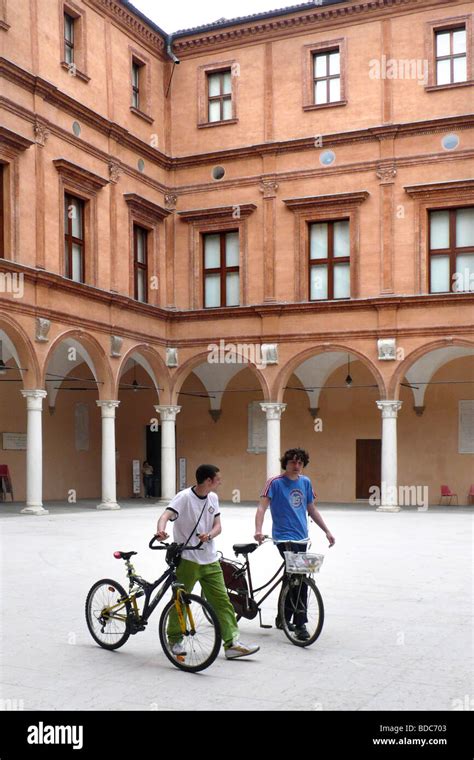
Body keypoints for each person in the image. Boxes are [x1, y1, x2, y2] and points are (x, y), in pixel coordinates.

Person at [155, 464, 260, 660]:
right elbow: (165, 515)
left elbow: (218, 526)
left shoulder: (213, 498)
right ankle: (175, 640)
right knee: (181, 601)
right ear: (208, 480)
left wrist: (210, 535)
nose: (220, 482)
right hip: (188, 560)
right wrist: (161, 531)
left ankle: (232, 644)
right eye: (217, 479)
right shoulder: (184, 497)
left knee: (222, 601)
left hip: (210, 560)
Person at [254, 448, 335, 641]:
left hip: (302, 538)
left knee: (291, 576)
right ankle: (300, 624)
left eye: (300, 463)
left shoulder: (305, 482)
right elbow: (262, 507)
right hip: (283, 538)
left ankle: (283, 617)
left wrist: (327, 530)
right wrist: (258, 529)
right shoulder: (274, 483)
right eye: (293, 462)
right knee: (299, 577)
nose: (296, 466)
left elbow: (311, 508)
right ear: (286, 463)